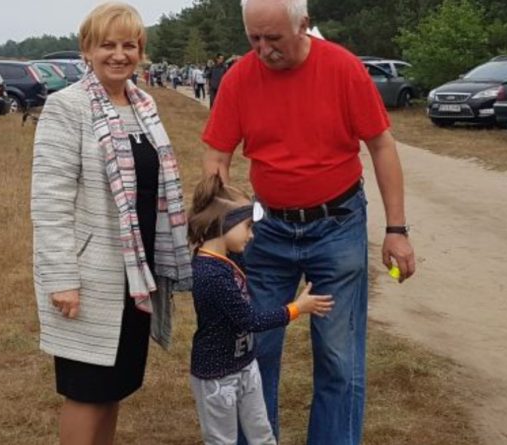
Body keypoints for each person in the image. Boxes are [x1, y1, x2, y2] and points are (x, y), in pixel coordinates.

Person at [201, 0, 416, 443]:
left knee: (339, 357)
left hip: (337, 225)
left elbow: (381, 146)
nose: (263, 49)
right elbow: (217, 155)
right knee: (254, 349)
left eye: (273, 38)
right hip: (267, 231)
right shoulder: (240, 77)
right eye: (254, 39)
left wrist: (396, 230)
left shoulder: (343, 69)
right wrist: (216, 230)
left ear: (304, 25)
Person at [30, 2, 192, 444]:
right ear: (86, 50)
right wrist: (62, 279)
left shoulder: (143, 105)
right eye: (107, 45)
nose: (119, 55)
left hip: (137, 272)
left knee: (115, 385)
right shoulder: (68, 106)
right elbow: (49, 203)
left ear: (140, 51)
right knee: (87, 389)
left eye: (129, 45)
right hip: (90, 275)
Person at [187, 174, 334, 445]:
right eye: (247, 226)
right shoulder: (210, 274)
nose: (252, 235)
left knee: (262, 435)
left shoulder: (228, 259)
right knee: (222, 441)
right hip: (217, 377)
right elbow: (250, 320)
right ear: (224, 224)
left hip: (245, 364)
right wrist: (296, 308)